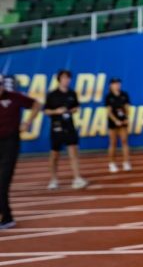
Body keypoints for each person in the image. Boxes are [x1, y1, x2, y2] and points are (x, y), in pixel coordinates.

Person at [0, 74, 41, 229]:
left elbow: (37, 104)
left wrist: (27, 122)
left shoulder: (15, 97)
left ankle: (7, 218)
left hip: (10, 142)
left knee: (2, 183)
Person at [44, 70, 88, 190]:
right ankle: (53, 179)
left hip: (69, 126)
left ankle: (77, 178)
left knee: (73, 152)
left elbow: (76, 107)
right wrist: (56, 111)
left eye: (68, 78)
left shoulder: (72, 93)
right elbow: (46, 110)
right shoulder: (52, 94)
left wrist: (71, 110)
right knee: (54, 154)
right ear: (59, 79)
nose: (66, 80)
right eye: (64, 78)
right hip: (56, 127)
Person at [105, 78, 131, 173]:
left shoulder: (124, 95)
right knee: (113, 143)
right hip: (113, 123)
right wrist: (116, 121)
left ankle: (126, 162)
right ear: (111, 85)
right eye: (115, 83)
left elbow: (127, 108)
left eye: (118, 83)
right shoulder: (109, 97)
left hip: (123, 122)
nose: (117, 85)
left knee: (124, 141)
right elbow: (109, 112)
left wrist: (126, 118)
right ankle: (111, 163)